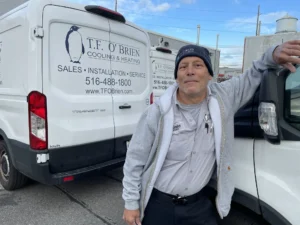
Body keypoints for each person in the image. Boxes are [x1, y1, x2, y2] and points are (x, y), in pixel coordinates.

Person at [122, 40, 300, 225]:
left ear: (209, 75)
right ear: (177, 77)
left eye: (198, 65)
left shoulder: (224, 98)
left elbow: (254, 72)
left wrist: (273, 55)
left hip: (198, 205)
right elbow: (135, 160)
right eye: (183, 67)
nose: (190, 71)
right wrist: (131, 203)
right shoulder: (157, 112)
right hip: (159, 205)